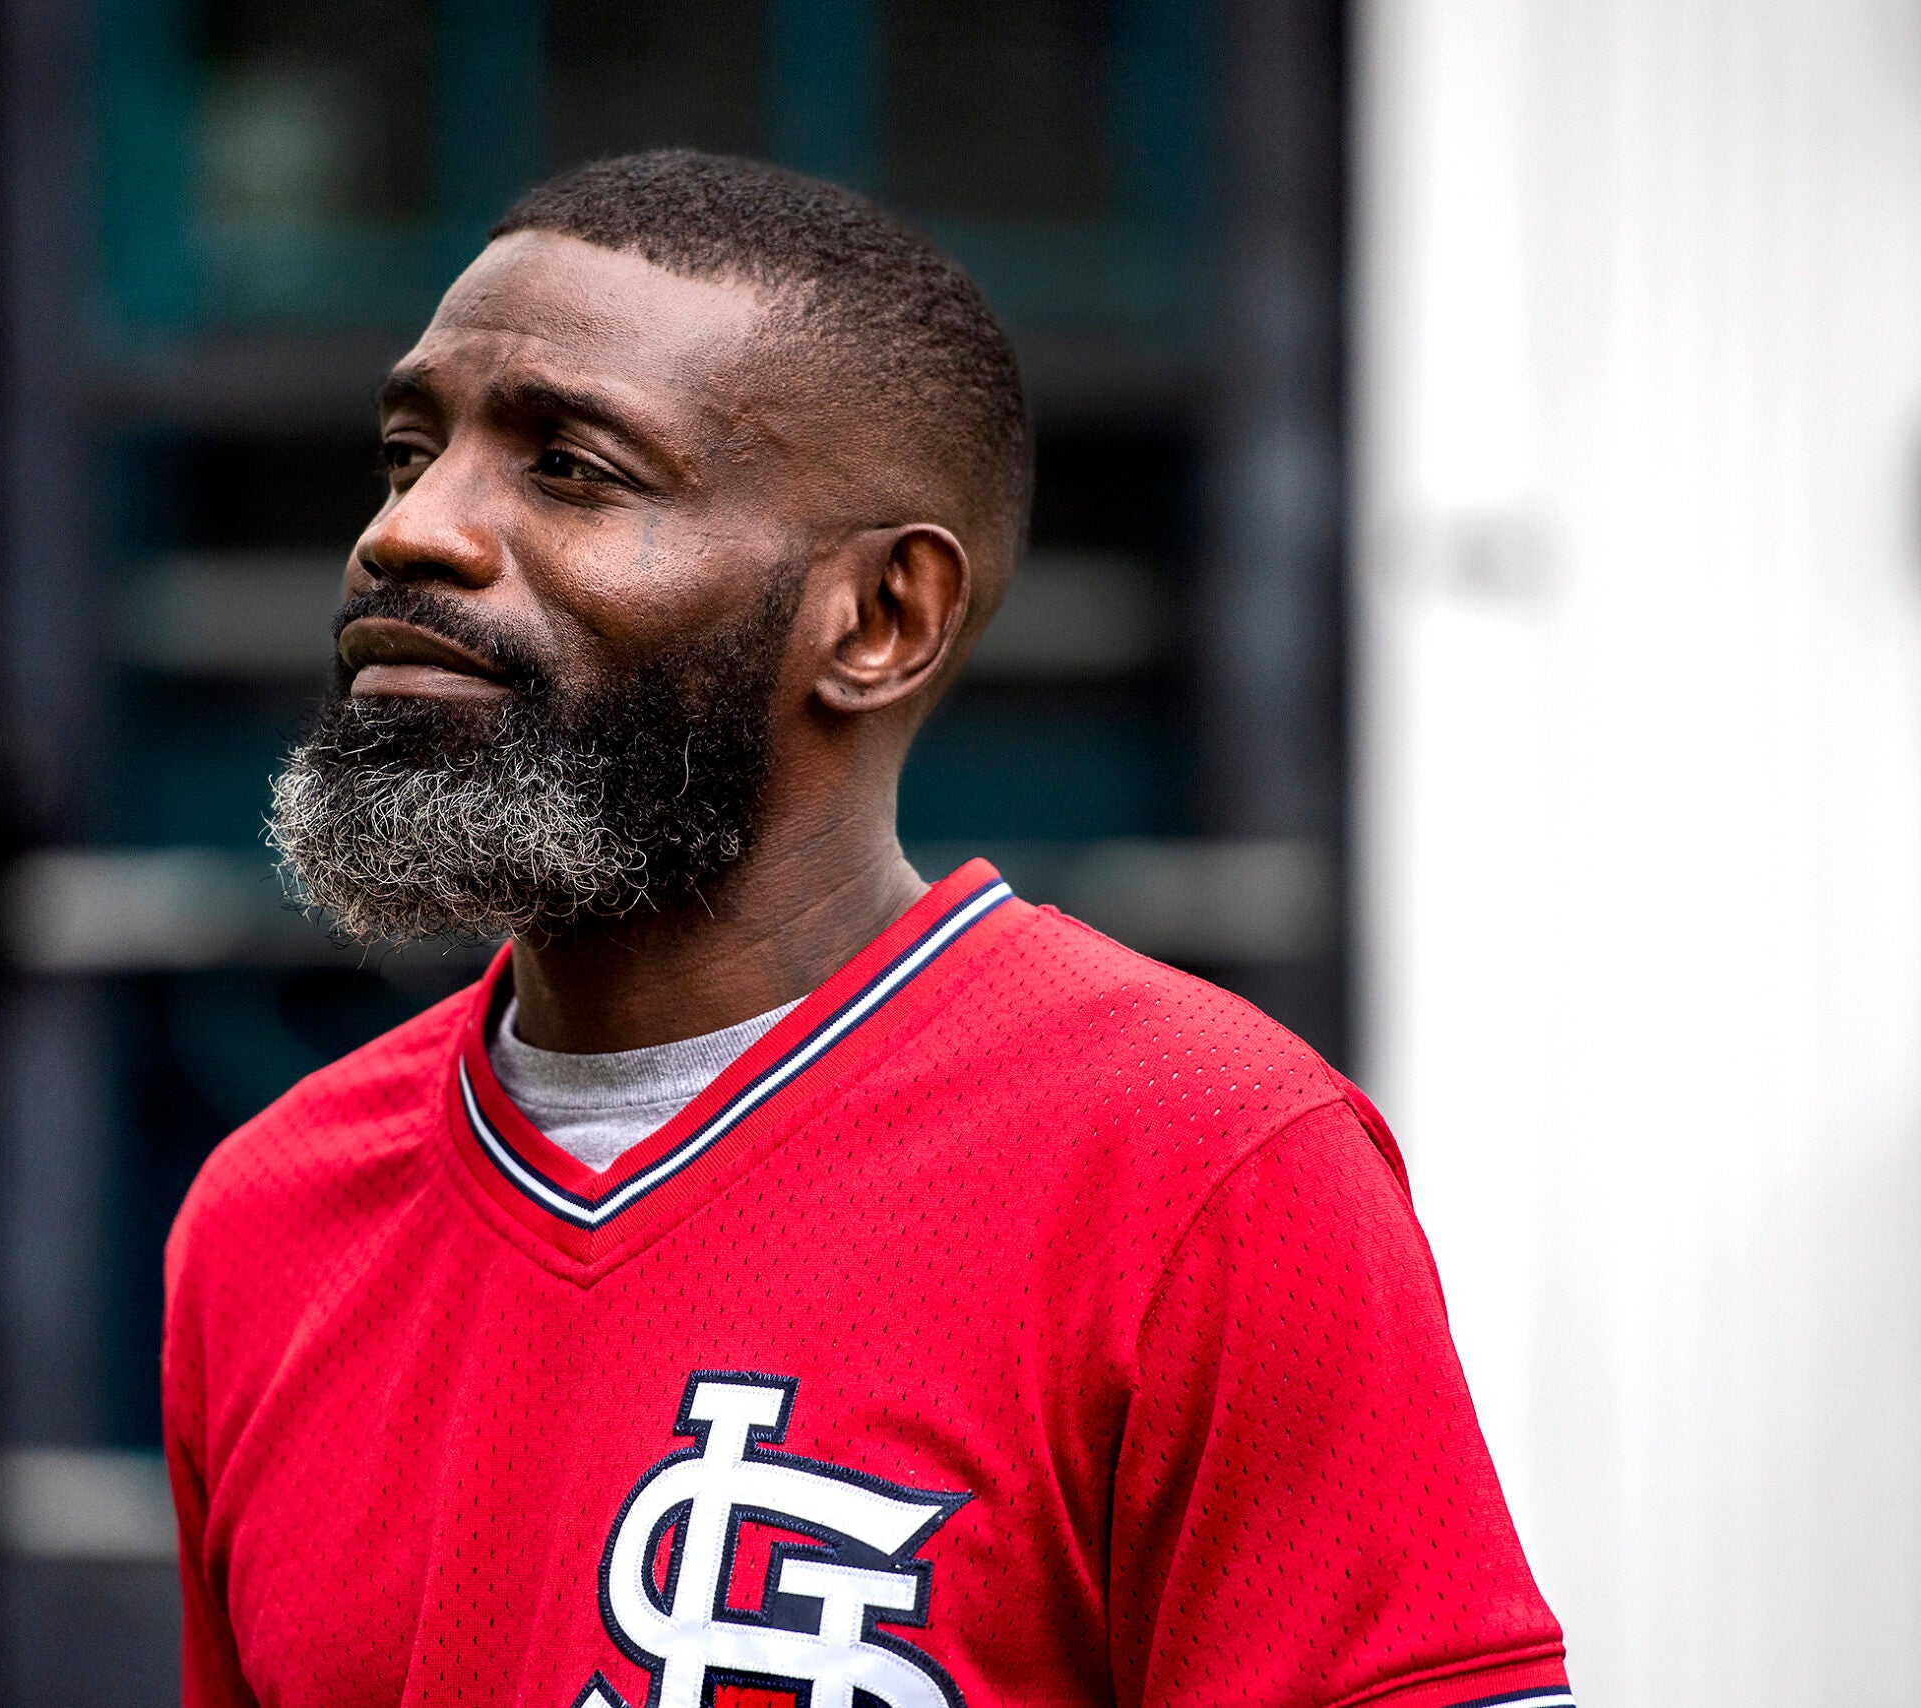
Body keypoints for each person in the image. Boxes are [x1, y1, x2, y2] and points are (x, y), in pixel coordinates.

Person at [162, 150, 1572, 1708]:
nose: (411, 533)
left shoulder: (1206, 1169)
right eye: (406, 451)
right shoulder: (263, 1215)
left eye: (573, 468)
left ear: (882, 620)